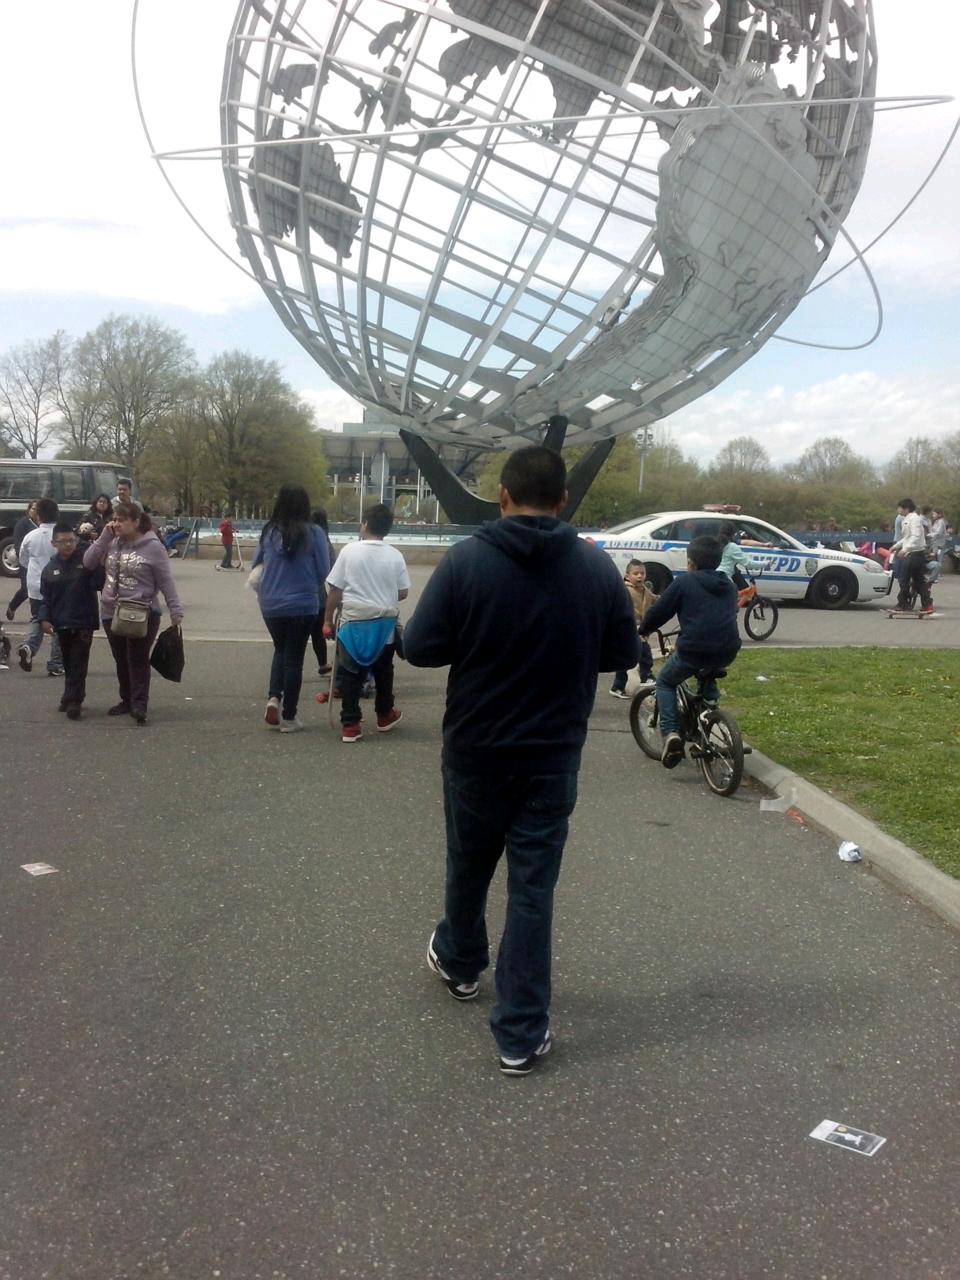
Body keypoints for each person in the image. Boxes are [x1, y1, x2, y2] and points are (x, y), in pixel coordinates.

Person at [403, 446, 638, 1075]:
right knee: (532, 891)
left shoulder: (466, 561)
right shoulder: (595, 569)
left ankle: (459, 962)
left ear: (502, 497)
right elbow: (623, 652)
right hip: (553, 755)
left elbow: (420, 648)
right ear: (563, 502)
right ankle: (519, 1032)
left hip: (476, 748)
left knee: (468, 862)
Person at [640, 535, 741, 770]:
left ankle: (671, 734)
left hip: (694, 649)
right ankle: (709, 711)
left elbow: (659, 612)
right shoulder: (728, 584)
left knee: (665, 682)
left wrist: (644, 629)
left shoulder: (685, 582)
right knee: (707, 672)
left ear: (691, 563)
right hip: (727, 649)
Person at [83, 502, 185, 725]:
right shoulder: (111, 541)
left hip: (141, 611)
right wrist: (103, 538)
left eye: (122, 520)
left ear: (136, 522)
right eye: (115, 519)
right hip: (111, 610)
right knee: (121, 659)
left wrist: (175, 609)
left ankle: (139, 704)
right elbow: (88, 562)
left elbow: (165, 580)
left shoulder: (153, 546)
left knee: (137, 658)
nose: (116, 524)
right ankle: (126, 699)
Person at [322, 502, 410, 742]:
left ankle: (350, 724)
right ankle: (384, 714)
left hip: (354, 622)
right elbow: (403, 592)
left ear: (366, 525)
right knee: (383, 670)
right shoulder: (395, 555)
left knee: (350, 673)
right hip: (385, 625)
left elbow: (335, 590)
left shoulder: (350, 551)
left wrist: (327, 621)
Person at [252, 483, 330, 733]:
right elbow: (323, 571)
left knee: (280, 650)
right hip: (303, 603)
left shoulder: (269, 532)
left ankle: (274, 697)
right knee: (294, 658)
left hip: (270, 603)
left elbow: (255, 565)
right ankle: (289, 717)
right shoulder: (315, 533)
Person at [38, 523, 103, 719]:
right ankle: (69, 695)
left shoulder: (85, 562)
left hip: (83, 621)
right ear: (54, 543)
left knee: (78, 662)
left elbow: (98, 583)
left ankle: (75, 700)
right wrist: (44, 619)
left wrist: (98, 562)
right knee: (67, 661)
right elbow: (45, 598)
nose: (68, 545)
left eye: (71, 540)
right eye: (63, 541)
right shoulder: (50, 568)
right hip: (61, 622)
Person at [17, 498, 64, 676]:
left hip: (35, 585)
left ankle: (29, 646)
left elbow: (22, 559)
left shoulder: (31, 536)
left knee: (38, 618)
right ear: (57, 514)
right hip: (58, 585)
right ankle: (56, 662)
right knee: (59, 623)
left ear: (38, 516)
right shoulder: (61, 536)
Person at [610, 560, 657, 698]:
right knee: (644, 653)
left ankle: (618, 686)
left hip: (640, 629)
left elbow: (655, 599)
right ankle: (645, 675)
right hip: (628, 629)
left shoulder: (645, 590)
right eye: (635, 573)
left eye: (642, 573)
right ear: (627, 576)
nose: (639, 576)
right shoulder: (625, 591)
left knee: (628, 657)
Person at [888, 497, 933, 615]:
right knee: (918, 580)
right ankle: (927, 604)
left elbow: (916, 536)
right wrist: (897, 546)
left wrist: (906, 549)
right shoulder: (906, 519)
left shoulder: (914, 519)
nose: (898, 509)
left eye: (900, 507)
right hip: (913, 553)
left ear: (906, 508)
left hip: (915, 553)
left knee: (903, 578)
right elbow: (906, 537)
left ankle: (903, 604)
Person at [309, 508, 334, 676]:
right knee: (318, 631)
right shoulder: (325, 540)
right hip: (317, 594)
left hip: (297, 593)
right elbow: (331, 568)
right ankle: (322, 662)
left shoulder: (301, 537)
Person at [5, 500, 37, 620]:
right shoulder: (23, 524)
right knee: (26, 589)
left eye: (38, 509)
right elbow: (18, 545)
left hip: (39, 563)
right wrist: (24, 558)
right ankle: (12, 606)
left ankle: (37, 616)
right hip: (26, 563)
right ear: (29, 510)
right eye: (33, 509)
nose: (35, 511)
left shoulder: (42, 524)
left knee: (41, 590)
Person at [716, 522, 763, 590]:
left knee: (742, 587)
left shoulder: (715, 542)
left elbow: (747, 542)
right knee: (744, 590)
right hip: (726, 575)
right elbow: (747, 563)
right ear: (733, 534)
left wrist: (764, 544)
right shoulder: (732, 546)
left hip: (721, 573)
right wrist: (765, 564)